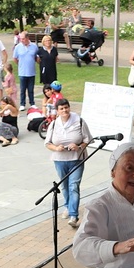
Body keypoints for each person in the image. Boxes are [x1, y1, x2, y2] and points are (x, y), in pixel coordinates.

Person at [45, 98, 92, 228]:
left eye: (66, 107)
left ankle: (73, 215)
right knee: (64, 186)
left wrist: (79, 146)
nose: (64, 110)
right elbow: (47, 143)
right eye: (61, 108)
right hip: (60, 160)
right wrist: (56, 148)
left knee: (74, 186)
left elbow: (88, 139)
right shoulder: (53, 124)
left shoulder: (79, 121)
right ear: (57, 111)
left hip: (76, 159)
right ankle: (67, 206)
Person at [12, 32, 37, 109]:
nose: (21, 40)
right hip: (22, 72)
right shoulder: (18, 47)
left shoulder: (34, 46)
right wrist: (20, 65)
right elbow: (15, 58)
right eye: (20, 39)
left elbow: (36, 57)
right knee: (22, 89)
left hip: (31, 72)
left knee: (31, 89)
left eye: (23, 39)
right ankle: (22, 104)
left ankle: (32, 103)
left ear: (27, 38)